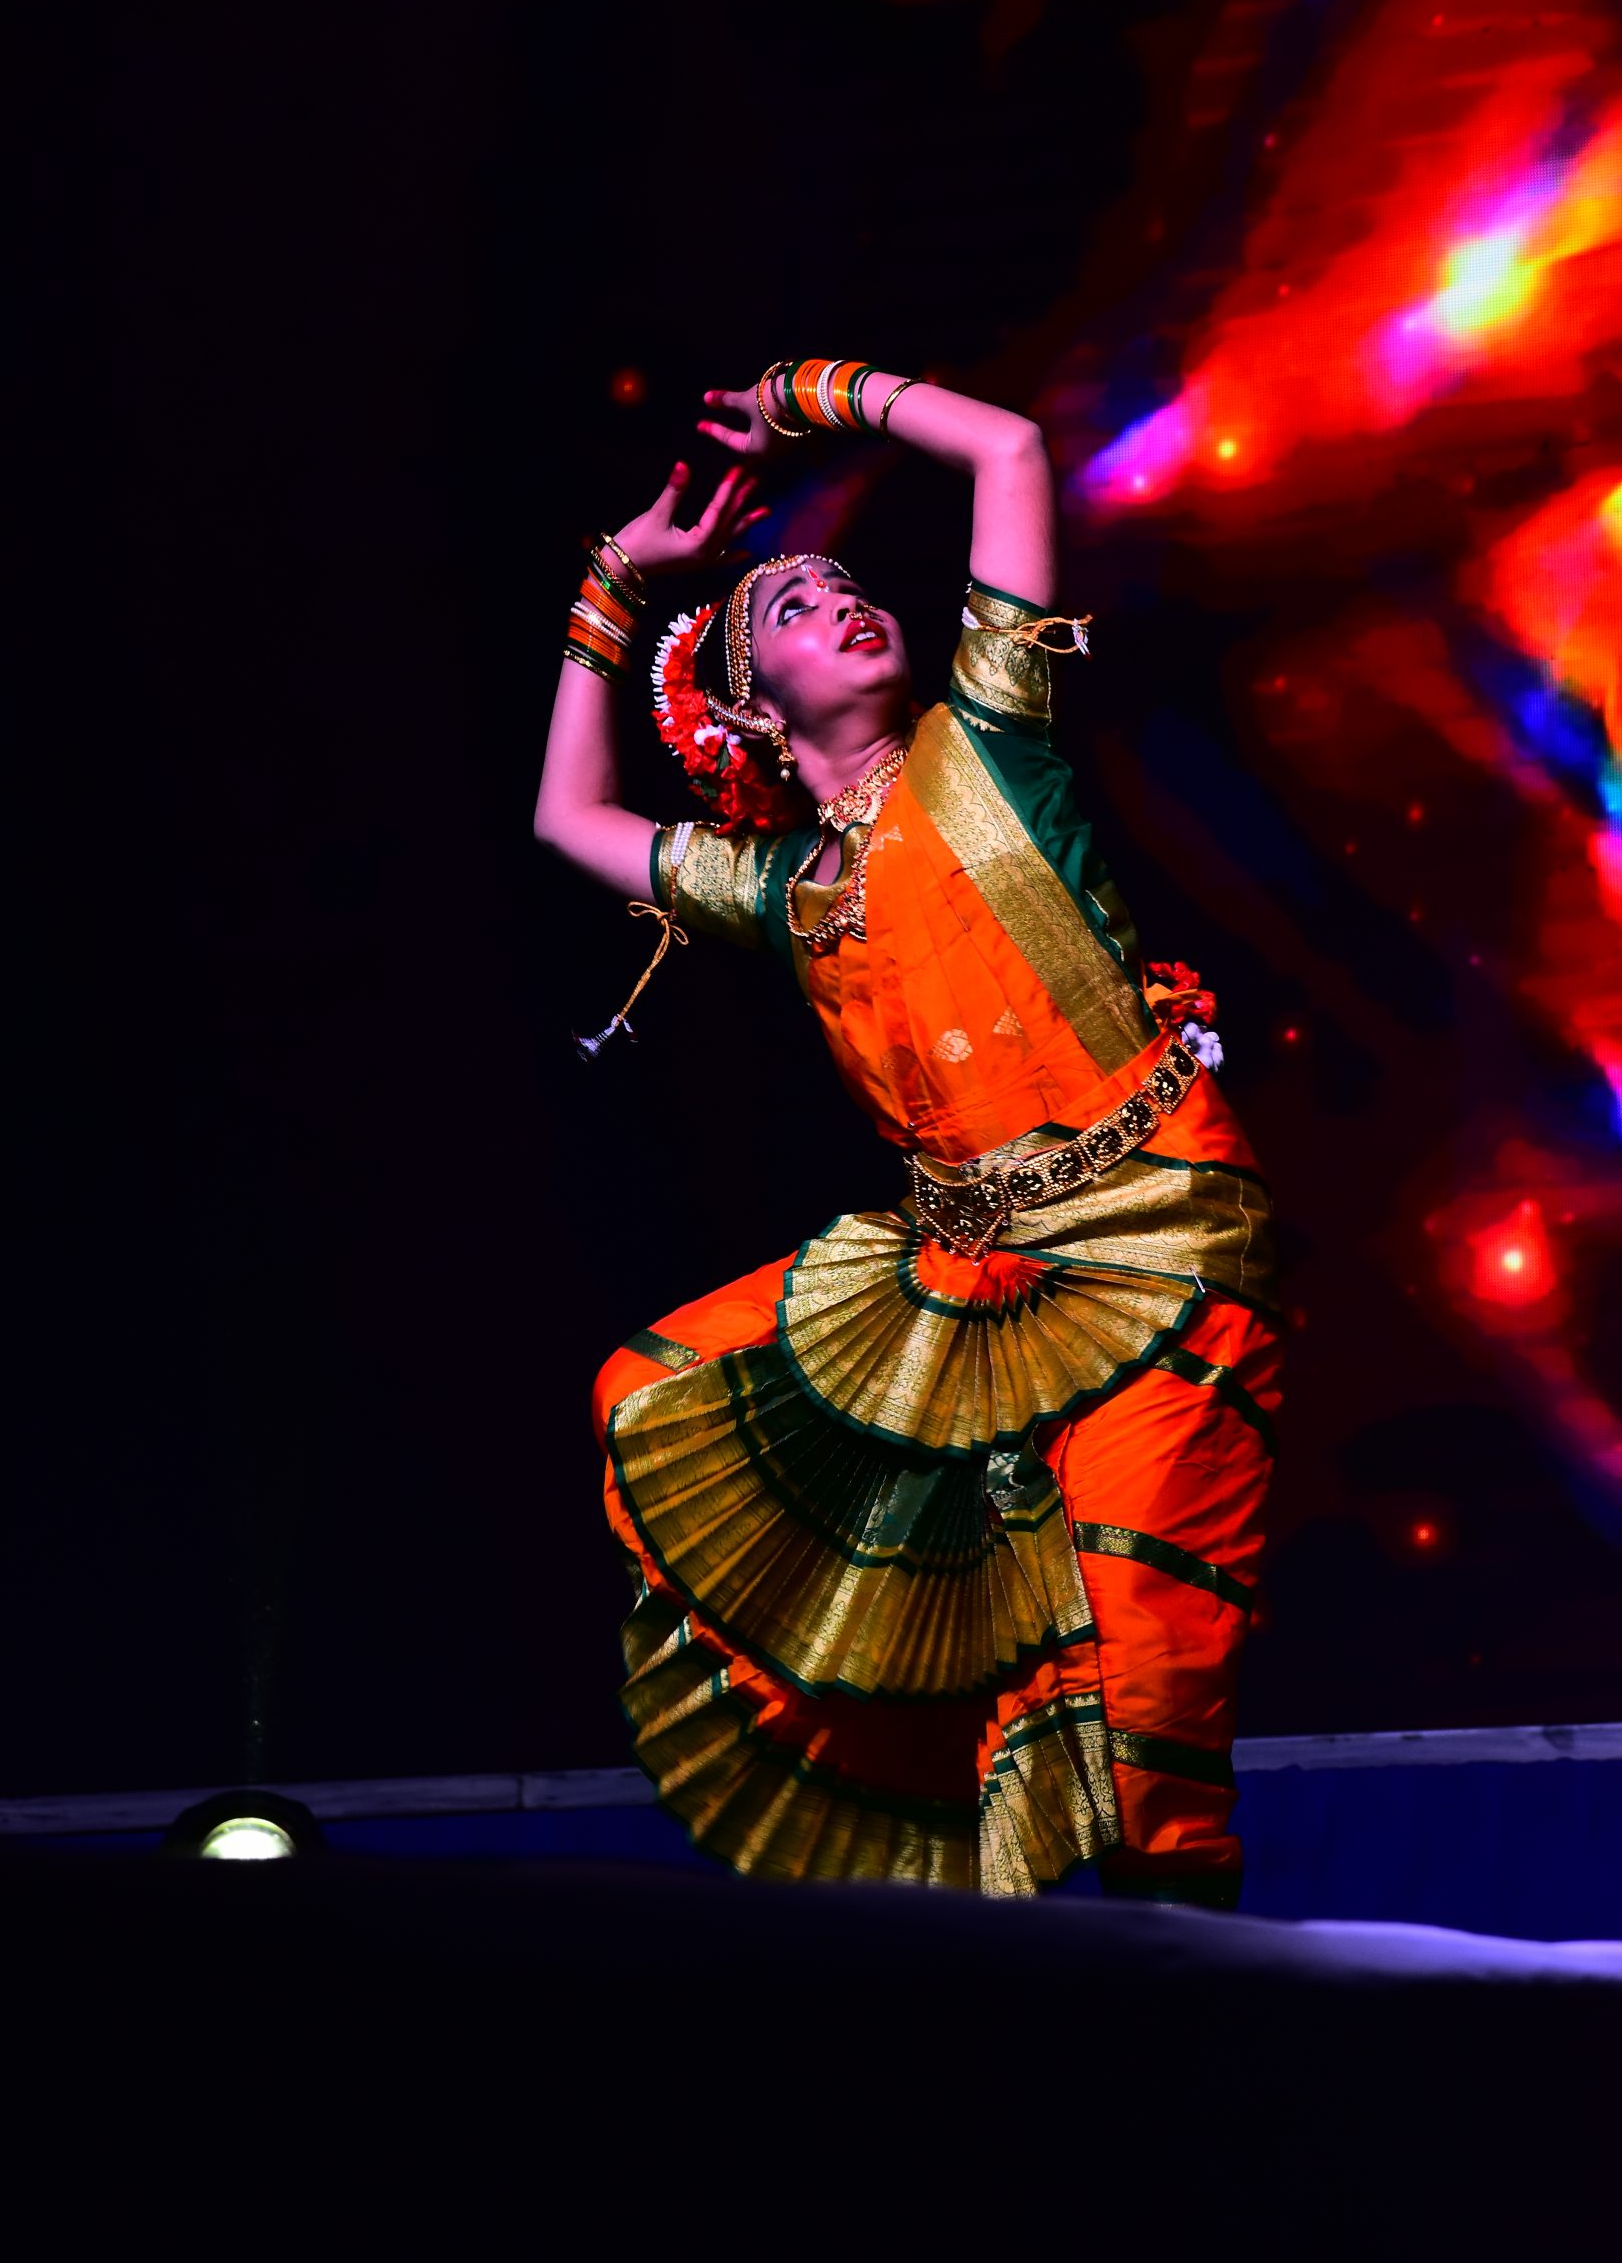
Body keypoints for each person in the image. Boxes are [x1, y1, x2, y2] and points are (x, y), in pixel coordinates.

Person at [535, 359, 1280, 1901]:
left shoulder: (989, 730)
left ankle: (1201, 1999)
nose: (845, 605)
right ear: (747, 702)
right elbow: (568, 820)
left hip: (1162, 1233)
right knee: (648, 1395)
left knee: (1148, 1648)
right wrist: (617, 579)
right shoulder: (786, 889)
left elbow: (1006, 443)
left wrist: (809, 396)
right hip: (973, 1300)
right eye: (795, 610)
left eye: (851, 585)